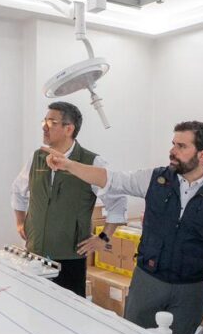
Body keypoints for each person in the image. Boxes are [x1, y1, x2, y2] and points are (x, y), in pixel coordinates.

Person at [43, 120, 203, 334]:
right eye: (173, 144)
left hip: (190, 291)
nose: (172, 151)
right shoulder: (154, 179)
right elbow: (111, 179)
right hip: (148, 282)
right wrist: (69, 165)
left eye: (181, 146)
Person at [11, 101, 126, 297]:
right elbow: (17, 190)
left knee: (68, 312)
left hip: (70, 259)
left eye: (51, 122)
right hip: (34, 254)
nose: (44, 127)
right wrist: (20, 222)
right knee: (32, 306)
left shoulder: (92, 162)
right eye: (44, 121)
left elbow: (117, 202)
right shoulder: (37, 157)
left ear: (69, 129)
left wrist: (104, 238)